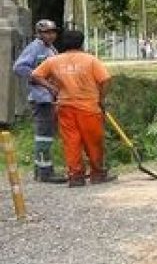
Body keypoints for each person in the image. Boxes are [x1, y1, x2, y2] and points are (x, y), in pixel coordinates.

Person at [30, 30, 115, 187]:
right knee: (93, 141)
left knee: (71, 142)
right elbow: (105, 79)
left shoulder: (54, 61)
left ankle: (75, 176)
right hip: (89, 107)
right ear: (81, 43)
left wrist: (51, 88)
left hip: (65, 107)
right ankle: (97, 173)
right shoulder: (90, 60)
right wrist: (101, 99)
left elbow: (35, 75)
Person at [12, 19, 66, 183]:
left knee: (47, 133)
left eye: (53, 32)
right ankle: (45, 172)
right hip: (40, 97)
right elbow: (19, 67)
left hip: (50, 97)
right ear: (39, 33)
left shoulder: (51, 49)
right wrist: (41, 80)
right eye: (47, 32)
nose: (51, 35)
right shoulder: (35, 47)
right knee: (43, 135)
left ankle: (40, 169)